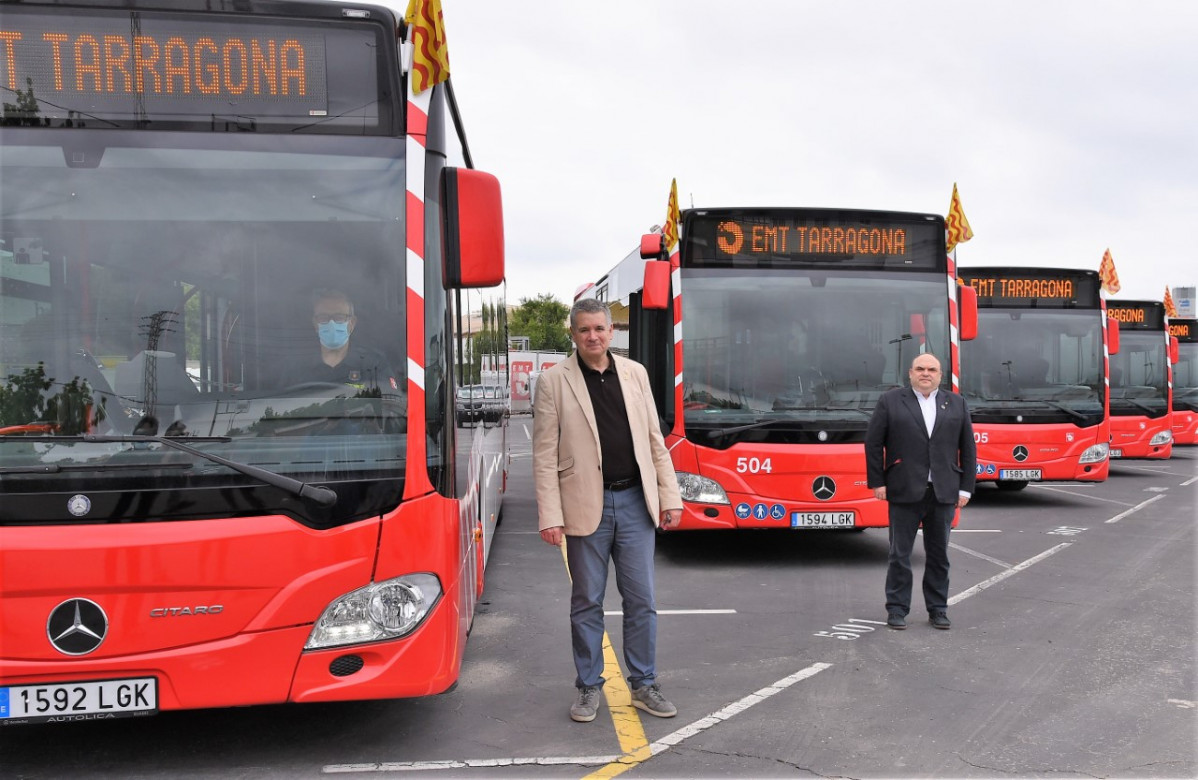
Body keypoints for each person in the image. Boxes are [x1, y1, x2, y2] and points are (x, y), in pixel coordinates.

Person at [532, 298, 683, 724]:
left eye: (600, 329)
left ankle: (643, 684)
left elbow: (655, 440)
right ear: (574, 334)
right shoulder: (554, 382)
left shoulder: (635, 374)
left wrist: (670, 497)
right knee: (587, 602)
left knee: (642, 600)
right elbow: (543, 454)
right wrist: (550, 514)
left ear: (611, 332)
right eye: (584, 330)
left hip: (636, 502)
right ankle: (587, 687)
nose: (593, 336)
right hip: (584, 505)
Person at [864, 353, 976, 631]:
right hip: (903, 490)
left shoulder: (957, 403)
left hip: (944, 492)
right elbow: (874, 443)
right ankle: (897, 609)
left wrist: (966, 488)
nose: (926, 374)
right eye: (920, 369)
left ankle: (938, 609)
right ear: (910, 373)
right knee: (899, 555)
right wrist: (878, 482)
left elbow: (969, 449)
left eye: (932, 370)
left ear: (941, 375)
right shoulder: (891, 401)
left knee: (939, 556)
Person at [280, 289, 398, 395]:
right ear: (315, 324)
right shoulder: (296, 367)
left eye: (339, 317)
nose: (331, 324)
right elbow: (279, 409)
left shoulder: (374, 365)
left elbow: (391, 407)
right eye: (323, 317)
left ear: (352, 323)